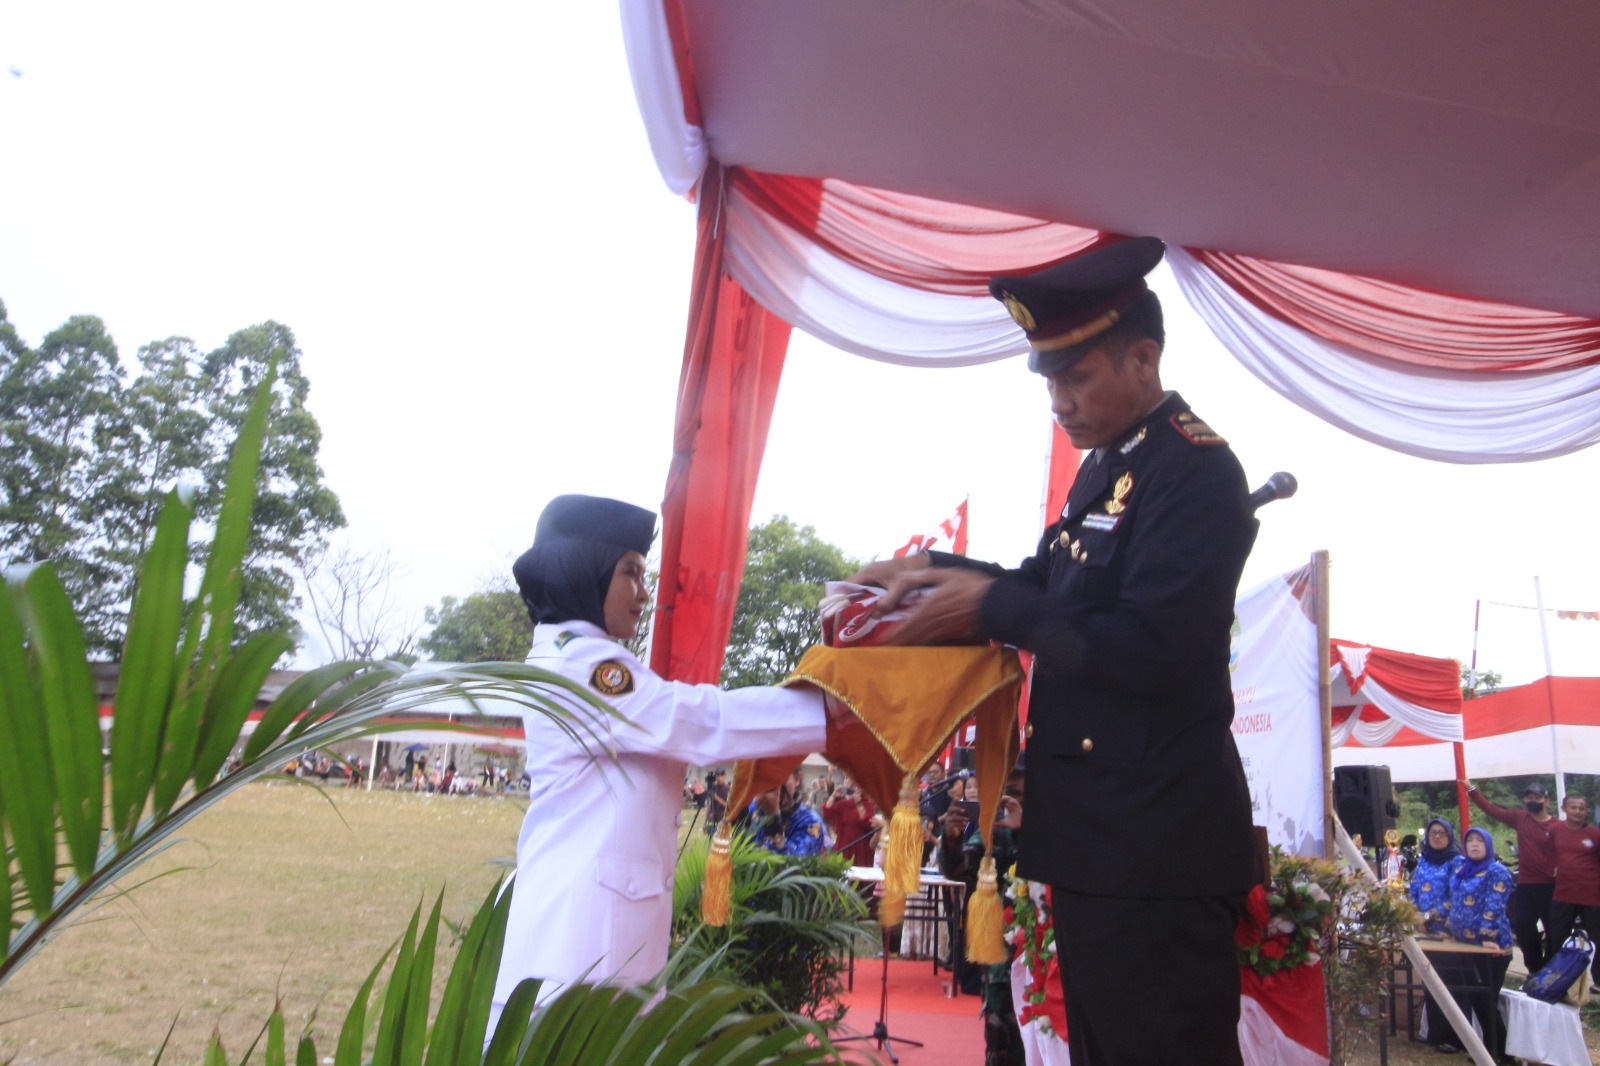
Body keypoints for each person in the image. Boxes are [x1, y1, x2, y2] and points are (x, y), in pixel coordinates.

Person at [853, 237, 1259, 1066]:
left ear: (1143, 358)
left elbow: (1154, 646)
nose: (1060, 405)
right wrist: (938, 573)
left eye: (1076, 379)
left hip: (1157, 847)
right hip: (1098, 838)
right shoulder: (1106, 467)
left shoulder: (1195, 472)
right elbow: (1046, 583)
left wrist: (994, 604)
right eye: (1050, 383)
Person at [488, 495, 833, 1026]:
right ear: (585, 569)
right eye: (630, 572)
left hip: (596, 947)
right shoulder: (583, 665)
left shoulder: (576, 657)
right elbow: (700, 721)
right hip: (580, 957)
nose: (644, 594)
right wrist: (834, 710)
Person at [1463, 779, 1558, 970]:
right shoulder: (1520, 818)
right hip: (1526, 884)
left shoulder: (1557, 826)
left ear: (1546, 801)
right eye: (1529, 797)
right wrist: (1472, 790)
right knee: (1523, 927)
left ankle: (1550, 969)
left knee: (1555, 931)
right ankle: (1534, 968)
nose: (1533, 800)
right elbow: (1492, 810)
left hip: (1551, 886)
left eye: (1537, 797)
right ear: (1524, 801)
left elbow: (1568, 848)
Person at [1547, 793, 1600, 980]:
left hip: (1592, 895)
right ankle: (1553, 978)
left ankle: (1597, 980)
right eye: (1573, 807)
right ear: (1564, 809)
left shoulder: (1594, 834)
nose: (1577, 812)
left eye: (1581, 808)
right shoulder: (1554, 830)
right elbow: (1549, 853)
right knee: (1557, 936)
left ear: (1586, 811)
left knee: (1596, 939)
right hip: (1563, 893)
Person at [743, 781, 829, 857]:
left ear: (796, 779)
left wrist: (774, 818)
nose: (777, 788)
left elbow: (795, 864)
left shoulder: (811, 821)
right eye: (770, 779)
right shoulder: (754, 807)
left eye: (783, 779)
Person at [1409, 818, 1463, 932]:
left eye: (1442, 833)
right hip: (1421, 926)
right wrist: (1414, 911)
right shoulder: (1424, 859)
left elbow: (1457, 896)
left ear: (1449, 836)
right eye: (1433, 833)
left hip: (1447, 928)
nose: (1437, 836)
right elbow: (1414, 887)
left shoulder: (1457, 861)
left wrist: (1430, 915)